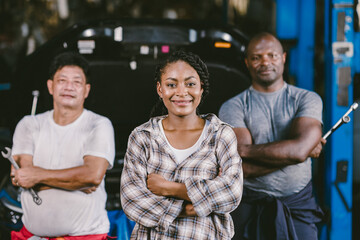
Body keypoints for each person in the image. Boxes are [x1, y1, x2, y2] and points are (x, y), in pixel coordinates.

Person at [120, 50, 243, 240]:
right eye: (171, 84)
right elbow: (132, 201)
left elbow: (231, 193)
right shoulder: (142, 137)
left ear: (201, 87)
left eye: (190, 84)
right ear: (160, 89)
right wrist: (193, 208)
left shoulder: (220, 135)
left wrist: (169, 188)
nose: (181, 92)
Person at [219, 32, 325, 240]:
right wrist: (299, 153)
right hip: (248, 206)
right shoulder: (233, 106)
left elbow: (297, 151)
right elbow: (242, 168)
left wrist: (245, 150)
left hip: (297, 206)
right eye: (257, 57)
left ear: (283, 58)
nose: (265, 62)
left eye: (272, 55)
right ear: (247, 62)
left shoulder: (307, 99)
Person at [10, 52, 115, 239]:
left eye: (77, 82)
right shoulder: (29, 124)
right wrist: (77, 182)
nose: (69, 87)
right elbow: (22, 177)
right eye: (62, 80)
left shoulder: (98, 124)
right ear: (50, 86)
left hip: (86, 236)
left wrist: (37, 176)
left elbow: (92, 176)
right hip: (33, 236)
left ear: (86, 90)